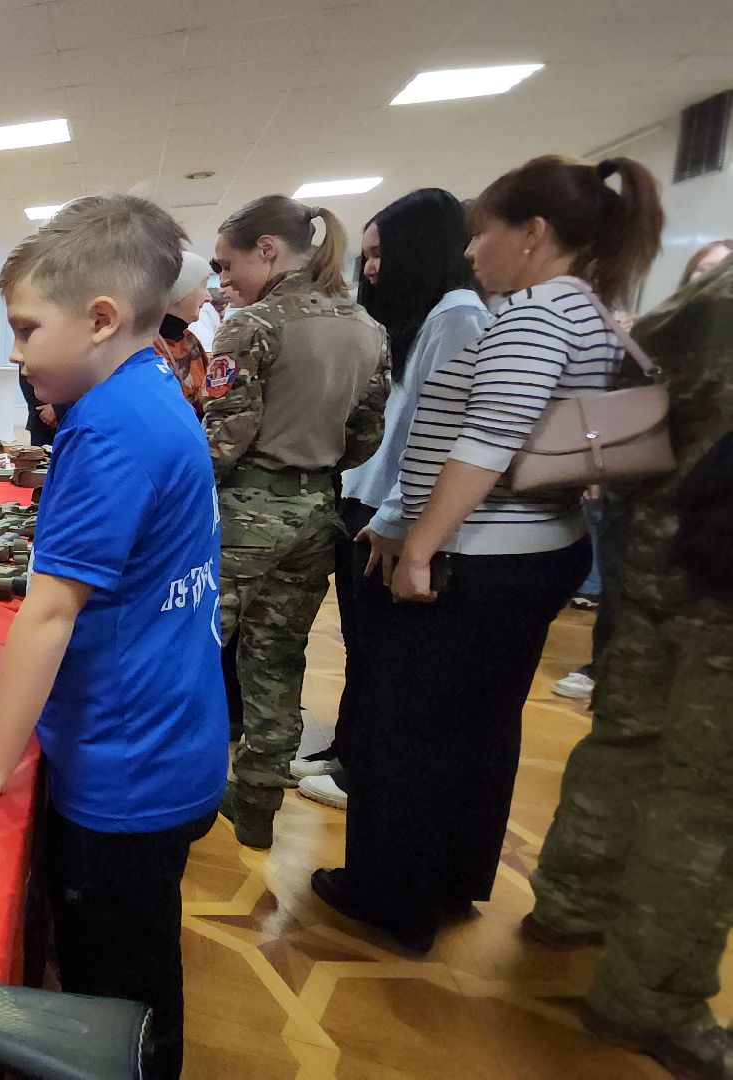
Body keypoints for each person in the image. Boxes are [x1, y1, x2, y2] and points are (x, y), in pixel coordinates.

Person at [0, 194, 225, 1080]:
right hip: (170, 738)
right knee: (136, 967)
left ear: (102, 318)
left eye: (30, 328)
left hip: (125, 767)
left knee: (114, 997)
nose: (17, 353)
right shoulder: (151, 386)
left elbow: (47, 610)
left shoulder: (110, 429)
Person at [316, 155, 665, 954]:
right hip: (541, 545)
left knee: (407, 730)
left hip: (483, 553)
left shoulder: (536, 314)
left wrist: (418, 549)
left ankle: (389, 895)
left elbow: (484, 441)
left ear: (534, 234)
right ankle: (453, 876)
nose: (472, 253)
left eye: (485, 234)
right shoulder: (590, 310)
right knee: (480, 724)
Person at [524, 257, 733, 1079]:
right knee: (708, 797)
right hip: (720, 580)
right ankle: (653, 998)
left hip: (652, 547)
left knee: (626, 737)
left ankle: (572, 901)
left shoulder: (706, 296)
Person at [292, 189, 489, 812]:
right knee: (360, 641)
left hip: (392, 512)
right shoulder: (421, 317)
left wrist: (399, 516)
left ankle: (362, 766)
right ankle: (349, 746)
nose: (371, 268)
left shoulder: (457, 316)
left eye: (380, 255)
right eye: (367, 256)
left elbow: (439, 433)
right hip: (367, 500)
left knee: (382, 651)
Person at [206, 195, 390, 849]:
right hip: (317, 514)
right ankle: (255, 808)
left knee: (190, 653)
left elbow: (224, 439)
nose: (224, 282)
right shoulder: (368, 328)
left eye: (228, 266)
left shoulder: (253, 324)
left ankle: (175, 797)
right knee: (279, 662)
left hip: (242, 516)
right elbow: (367, 436)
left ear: (268, 250)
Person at [555, 238, 726, 702]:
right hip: (639, 496)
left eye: (723, 269)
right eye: (705, 269)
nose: (712, 279)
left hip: (704, 506)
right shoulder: (659, 339)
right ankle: (604, 668)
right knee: (621, 589)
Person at [155, 250, 224, 418]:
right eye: (202, 286)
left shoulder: (189, 338)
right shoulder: (147, 347)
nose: (208, 297)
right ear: (179, 292)